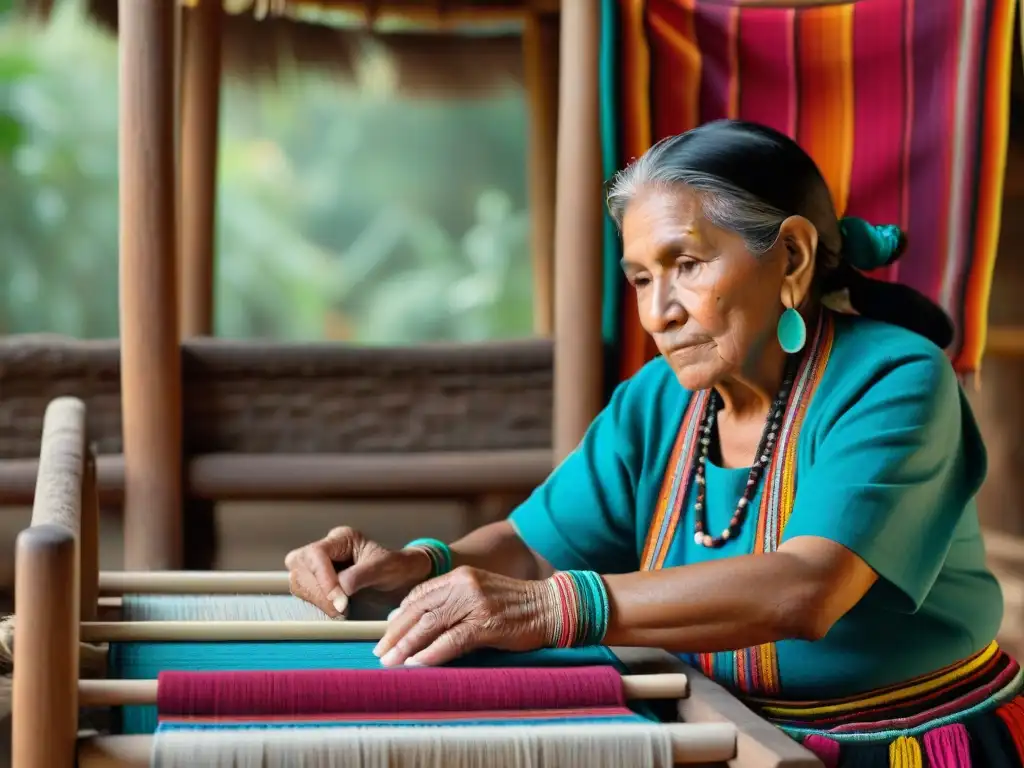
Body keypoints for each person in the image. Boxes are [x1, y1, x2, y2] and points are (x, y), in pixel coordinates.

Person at [287, 120, 1022, 765]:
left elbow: (807, 587)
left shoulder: (895, 380)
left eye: (688, 265)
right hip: (713, 731)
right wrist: (414, 564)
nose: (659, 312)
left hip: (904, 748)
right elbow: (536, 545)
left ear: (792, 259)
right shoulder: (659, 401)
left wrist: (552, 609)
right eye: (641, 277)